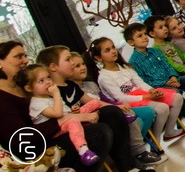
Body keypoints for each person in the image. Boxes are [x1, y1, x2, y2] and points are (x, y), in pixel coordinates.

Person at [0, 40, 142, 172]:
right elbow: (20, 139)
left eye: (25, 55)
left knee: (110, 112)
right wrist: (62, 120)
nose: (25, 60)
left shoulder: (25, 86)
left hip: (59, 128)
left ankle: (129, 167)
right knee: (98, 133)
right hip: (41, 148)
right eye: (18, 56)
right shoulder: (3, 98)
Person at [69, 52, 164, 169]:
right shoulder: (72, 90)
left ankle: (134, 150)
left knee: (148, 112)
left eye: (83, 64)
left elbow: (105, 99)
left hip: (113, 109)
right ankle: (137, 153)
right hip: (99, 117)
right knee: (136, 121)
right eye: (77, 66)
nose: (83, 67)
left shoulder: (91, 84)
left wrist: (118, 106)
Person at [86, 37, 185, 143]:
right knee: (162, 108)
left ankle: (169, 131)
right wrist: (147, 96)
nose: (113, 51)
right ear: (98, 58)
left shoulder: (125, 67)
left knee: (177, 98)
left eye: (113, 47)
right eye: (107, 50)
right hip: (128, 102)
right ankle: (156, 141)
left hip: (143, 94)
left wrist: (152, 91)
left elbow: (140, 83)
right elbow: (120, 98)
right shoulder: (104, 77)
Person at [124, 23, 185, 122]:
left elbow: (167, 66)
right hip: (159, 86)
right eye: (140, 36)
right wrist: (166, 82)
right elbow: (144, 81)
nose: (145, 37)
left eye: (145, 34)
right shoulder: (133, 62)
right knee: (175, 92)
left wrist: (173, 77)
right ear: (131, 42)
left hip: (172, 79)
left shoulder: (154, 51)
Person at [17, 63, 102, 166]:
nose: (48, 82)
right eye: (41, 81)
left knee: (94, 103)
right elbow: (57, 114)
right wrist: (56, 93)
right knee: (73, 122)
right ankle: (83, 151)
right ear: (29, 88)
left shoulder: (49, 96)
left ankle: (93, 119)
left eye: (48, 77)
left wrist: (73, 110)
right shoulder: (36, 103)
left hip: (67, 117)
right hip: (56, 130)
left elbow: (64, 110)